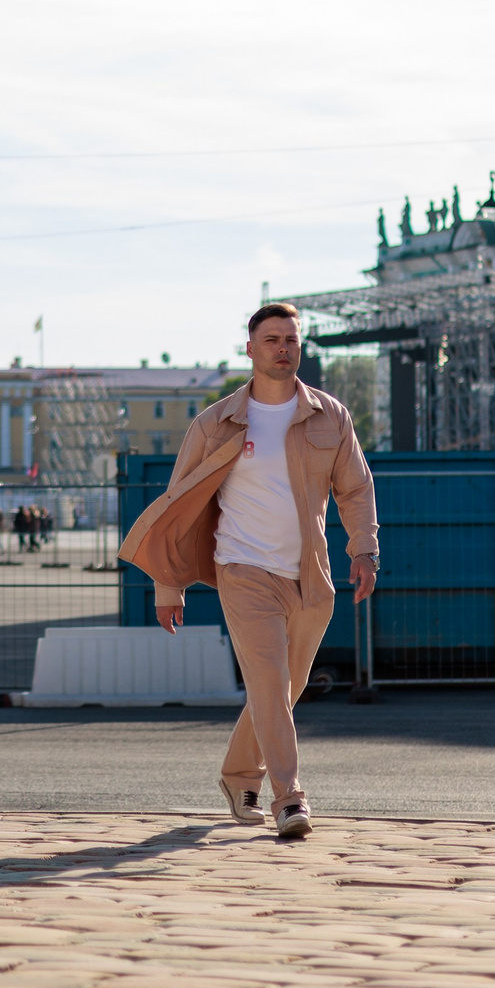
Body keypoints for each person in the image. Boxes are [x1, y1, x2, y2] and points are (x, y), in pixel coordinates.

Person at [119, 303, 378, 841]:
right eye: (272, 339)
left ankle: (238, 776)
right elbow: (177, 505)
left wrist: (364, 549)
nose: (283, 348)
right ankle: (289, 797)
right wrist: (168, 586)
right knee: (269, 682)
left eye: (291, 340)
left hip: (310, 574)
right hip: (242, 570)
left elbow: (355, 488)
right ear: (251, 349)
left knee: (284, 689)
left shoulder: (330, 416)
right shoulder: (216, 423)